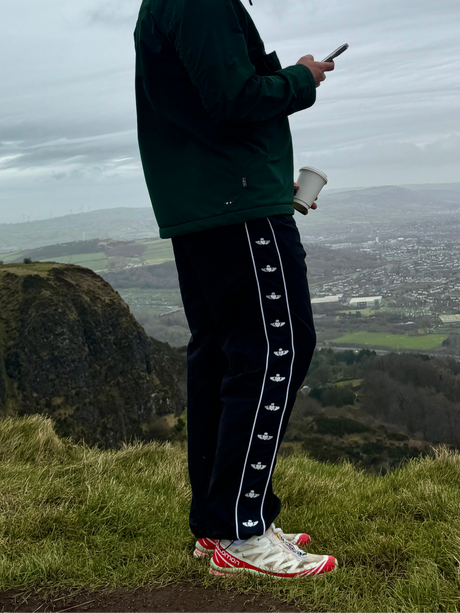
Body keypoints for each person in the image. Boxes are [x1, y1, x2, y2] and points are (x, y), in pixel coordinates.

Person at [134, 0, 336, 578]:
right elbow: (234, 100)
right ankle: (241, 532)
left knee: (224, 358)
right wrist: (300, 78)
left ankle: (222, 520)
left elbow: (211, 95)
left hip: (210, 203)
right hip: (236, 204)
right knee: (276, 350)